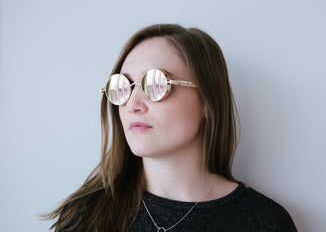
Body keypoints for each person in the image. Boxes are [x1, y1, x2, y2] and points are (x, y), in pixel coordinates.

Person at [45, 24, 297, 232]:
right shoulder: (85, 217)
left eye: (155, 84)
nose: (132, 104)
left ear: (208, 101)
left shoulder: (265, 222)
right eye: (124, 86)